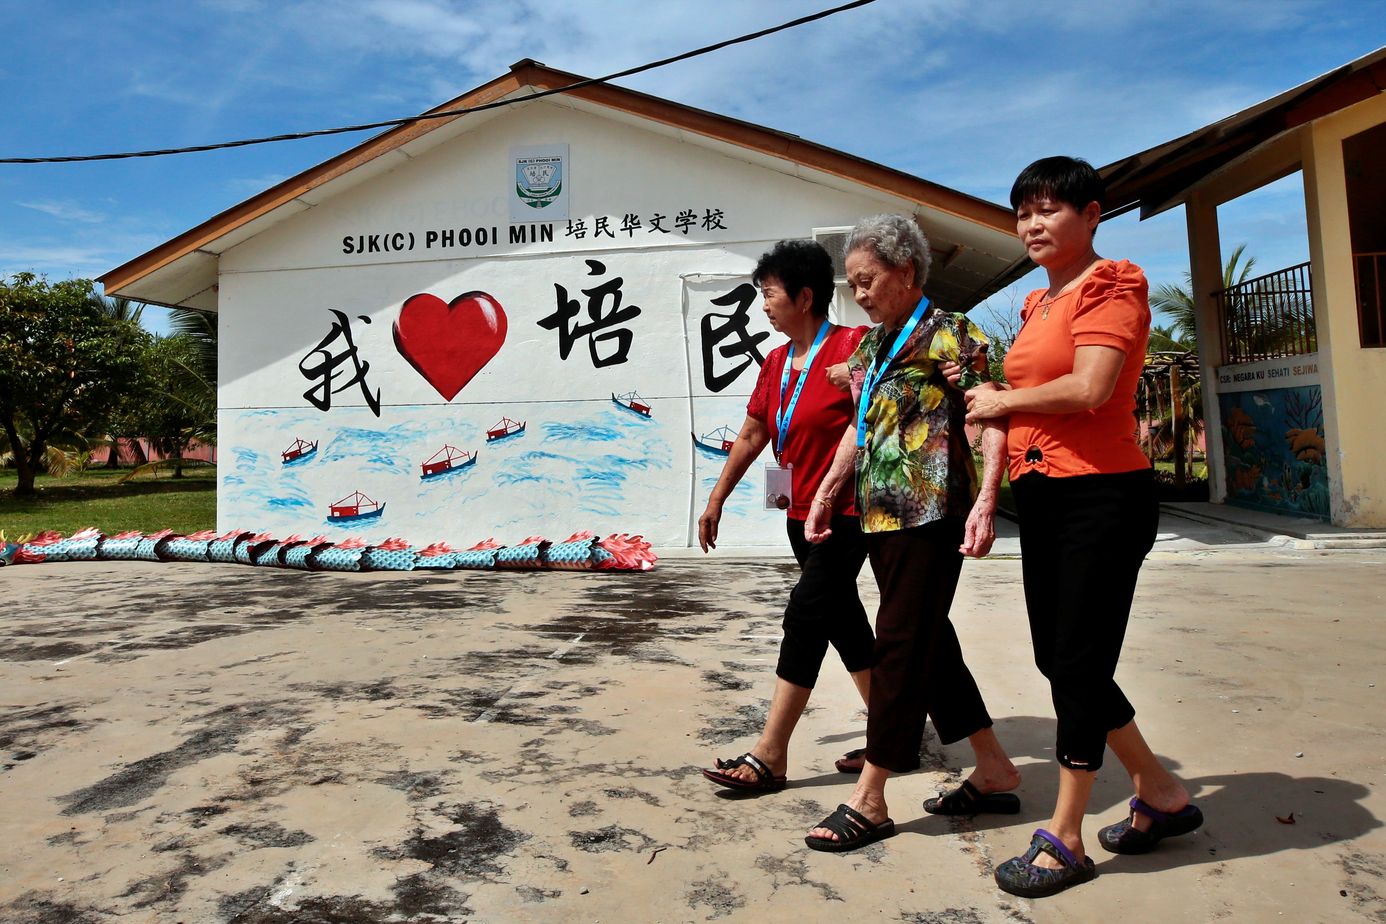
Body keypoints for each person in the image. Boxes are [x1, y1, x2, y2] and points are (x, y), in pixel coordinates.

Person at [961, 156, 1202, 897]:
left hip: (1103, 496)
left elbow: (1093, 387)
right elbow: (1029, 392)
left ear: (1091, 215)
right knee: (1060, 658)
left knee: (1076, 663)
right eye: (1022, 212)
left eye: (1049, 210)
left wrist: (1003, 402)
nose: (1032, 224)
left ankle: (1065, 835)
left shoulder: (1113, 284)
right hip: (1045, 497)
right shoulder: (1039, 304)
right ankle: (1160, 791)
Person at [800, 214, 1019, 852]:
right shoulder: (873, 346)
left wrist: (987, 500)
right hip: (880, 515)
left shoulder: (952, 333)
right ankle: (994, 766)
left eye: (867, 280)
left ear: (906, 271)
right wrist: (828, 492)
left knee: (897, 641)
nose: (859, 293)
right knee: (930, 638)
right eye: (852, 283)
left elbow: (991, 413)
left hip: (931, 513)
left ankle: (871, 796)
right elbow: (859, 424)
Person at [699, 238, 874, 793]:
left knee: (806, 615)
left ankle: (771, 754)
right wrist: (716, 498)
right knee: (843, 621)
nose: (764, 306)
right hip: (799, 514)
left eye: (771, 294)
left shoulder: (853, 345)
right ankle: (894, 731)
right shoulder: (776, 362)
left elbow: (879, 417)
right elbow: (754, 433)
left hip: (847, 512)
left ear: (804, 297)